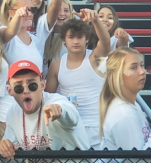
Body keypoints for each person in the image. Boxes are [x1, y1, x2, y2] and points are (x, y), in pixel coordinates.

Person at [45, 13, 111, 149]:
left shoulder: (95, 58)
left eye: (80, 37)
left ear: (87, 39)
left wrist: (96, 20)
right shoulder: (56, 65)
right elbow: (48, 98)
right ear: (64, 40)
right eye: (71, 37)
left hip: (97, 126)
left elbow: (105, 42)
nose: (76, 41)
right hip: (69, 126)